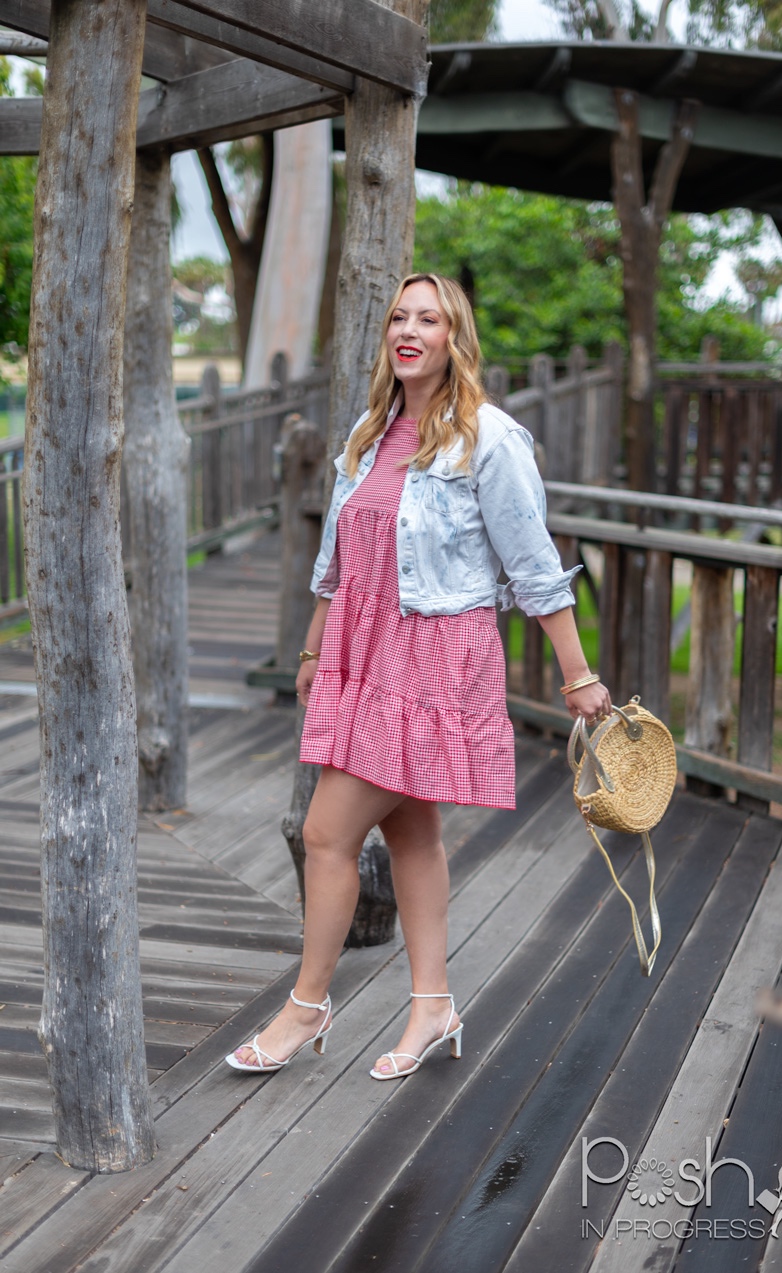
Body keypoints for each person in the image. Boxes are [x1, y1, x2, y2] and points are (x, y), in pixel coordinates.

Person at [226, 272, 610, 1080]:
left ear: (453, 338)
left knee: (327, 832)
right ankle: (432, 1004)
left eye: (428, 318)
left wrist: (579, 675)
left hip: (435, 653)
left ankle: (307, 1006)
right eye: (399, 317)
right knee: (411, 829)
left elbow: (536, 565)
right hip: (364, 653)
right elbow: (339, 561)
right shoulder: (370, 431)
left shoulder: (489, 438)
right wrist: (312, 649)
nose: (409, 329)